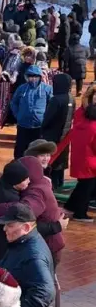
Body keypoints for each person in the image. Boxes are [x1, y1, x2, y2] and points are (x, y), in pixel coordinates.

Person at [0, 155, 66, 267]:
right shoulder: (40, 183)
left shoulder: (36, 191)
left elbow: (25, 211)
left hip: (46, 246)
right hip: (44, 243)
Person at [0, 203, 55, 307]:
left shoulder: (34, 256)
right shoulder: (20, 242)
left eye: (10, 225)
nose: (4, 228)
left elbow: (45, 292)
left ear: (26, 227)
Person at [64, 82, 96, 221]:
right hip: (90, 156)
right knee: (87, 185)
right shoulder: (89, 119)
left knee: (84, 183)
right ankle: (79, 213)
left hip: (82, 154)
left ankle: (71, 205)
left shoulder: (80, 113)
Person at [10, 65, 53, 158]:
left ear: (40, 77)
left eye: (35, 76)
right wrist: (18, 115)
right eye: (30, 76)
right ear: (27, 77)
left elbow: (51, 105)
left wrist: (46, 118)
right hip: (23, 125)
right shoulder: (21, 88)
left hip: (39, 126)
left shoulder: (47, 89)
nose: (33, 79)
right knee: (20, 150)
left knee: (37, 150)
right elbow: (14, 102)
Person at [41, 73, 75, 188]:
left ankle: (51, 188)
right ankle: (60, 184)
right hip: (64, 136)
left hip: (52, 136)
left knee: (50, 163)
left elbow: (47, 119)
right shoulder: (71, 98)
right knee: (60, 163)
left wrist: (42, 130)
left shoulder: (56, 100)